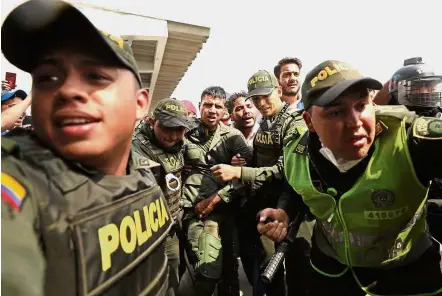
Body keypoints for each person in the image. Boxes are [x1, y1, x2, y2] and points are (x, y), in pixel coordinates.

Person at [1, 1, 172, 295]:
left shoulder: (149, 173)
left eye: (95, 76)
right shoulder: (19, 181)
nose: (66, 90)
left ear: (140, 104)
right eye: (47, 78)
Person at [258, 60, 442, 295]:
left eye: (361, 105)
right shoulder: (296, 153)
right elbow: (296, 189)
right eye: (336, 112)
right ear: (309, 121)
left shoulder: (410, 140)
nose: (355, 122)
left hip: (407, 280)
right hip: (330, 275)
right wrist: (284, 211)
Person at [212, 70, 313, 296]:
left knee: (299, 268)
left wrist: (238, 171)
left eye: (266, 96)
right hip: (269, 206)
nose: (261, 103)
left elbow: (282, 169)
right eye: (256, 99)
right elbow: (258, 163)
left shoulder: (294, 123)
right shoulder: (266, 124)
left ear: (278, 91)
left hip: (296, 206)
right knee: (270, 268)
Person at [177, 86, 252, 296]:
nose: (212, 110)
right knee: (207, 268)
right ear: (200, 106)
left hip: (224, 211)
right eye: (208, 105)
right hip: (193, 212)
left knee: (228, 268)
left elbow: (248, 174)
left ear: (224, 111)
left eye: (218, 106)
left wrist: (219, 197)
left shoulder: (234, 137)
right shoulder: (183, 130)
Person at [132, 98, 190, 296]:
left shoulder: (181, 142)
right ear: (151, 122)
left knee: (174, 272)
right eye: (167, 127)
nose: (173, 135)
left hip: (173, 223)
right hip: (149, 229)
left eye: (180, 129)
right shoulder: (136, 149)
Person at [386, 57, 442, 243]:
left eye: (430, 86)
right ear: (399, 89)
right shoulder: (388, 123)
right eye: (419, 87)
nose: (427, 92)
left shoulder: (438, 117)